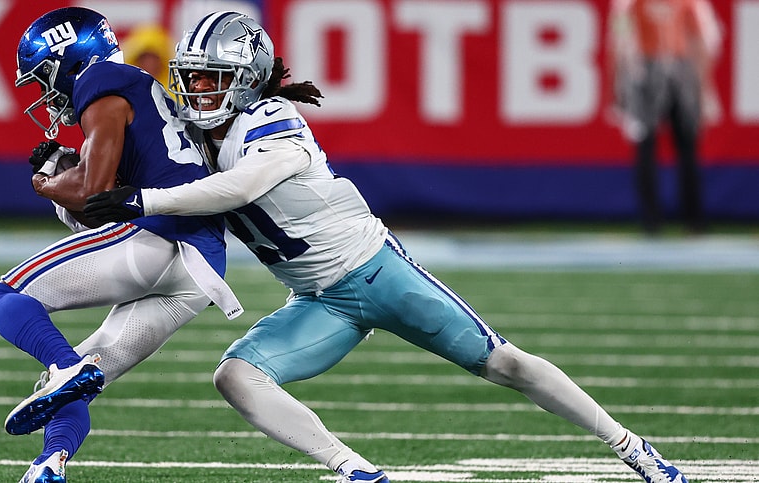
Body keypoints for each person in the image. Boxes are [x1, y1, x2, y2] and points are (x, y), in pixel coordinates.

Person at [84, 11, 689, 483]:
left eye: (212, 79)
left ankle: (633, 449)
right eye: (190, 78)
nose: (198, 91)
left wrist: (147, 200)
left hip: (375, 272)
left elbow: (240, 186)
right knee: (237, 377)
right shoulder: (190, 137)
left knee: (505, 364)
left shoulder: (271, 118)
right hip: (319, 300)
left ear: (245, 82)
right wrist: (71, 171)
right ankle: (356, 469)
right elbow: (122, 154)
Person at [0, 7, 242, 482]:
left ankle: (64, 366)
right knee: (69, 389)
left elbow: (93, 193)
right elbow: (98, 213)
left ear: (68, 58)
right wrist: (68, 172)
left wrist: (46, 182)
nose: (43, 92)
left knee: (4, 299)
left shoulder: (100, 79)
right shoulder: (137, 91)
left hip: (159, 236)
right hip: (202, 266)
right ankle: (48, 465)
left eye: (43, 77)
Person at [607, 0, 721, 235]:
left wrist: (617, 85)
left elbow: (618, 42)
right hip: (670, 69)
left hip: (651, 71)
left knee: (659, 148)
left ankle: (657, 221)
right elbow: (703, 42)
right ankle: (687, 220)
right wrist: (704, 87)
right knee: (675, 148)